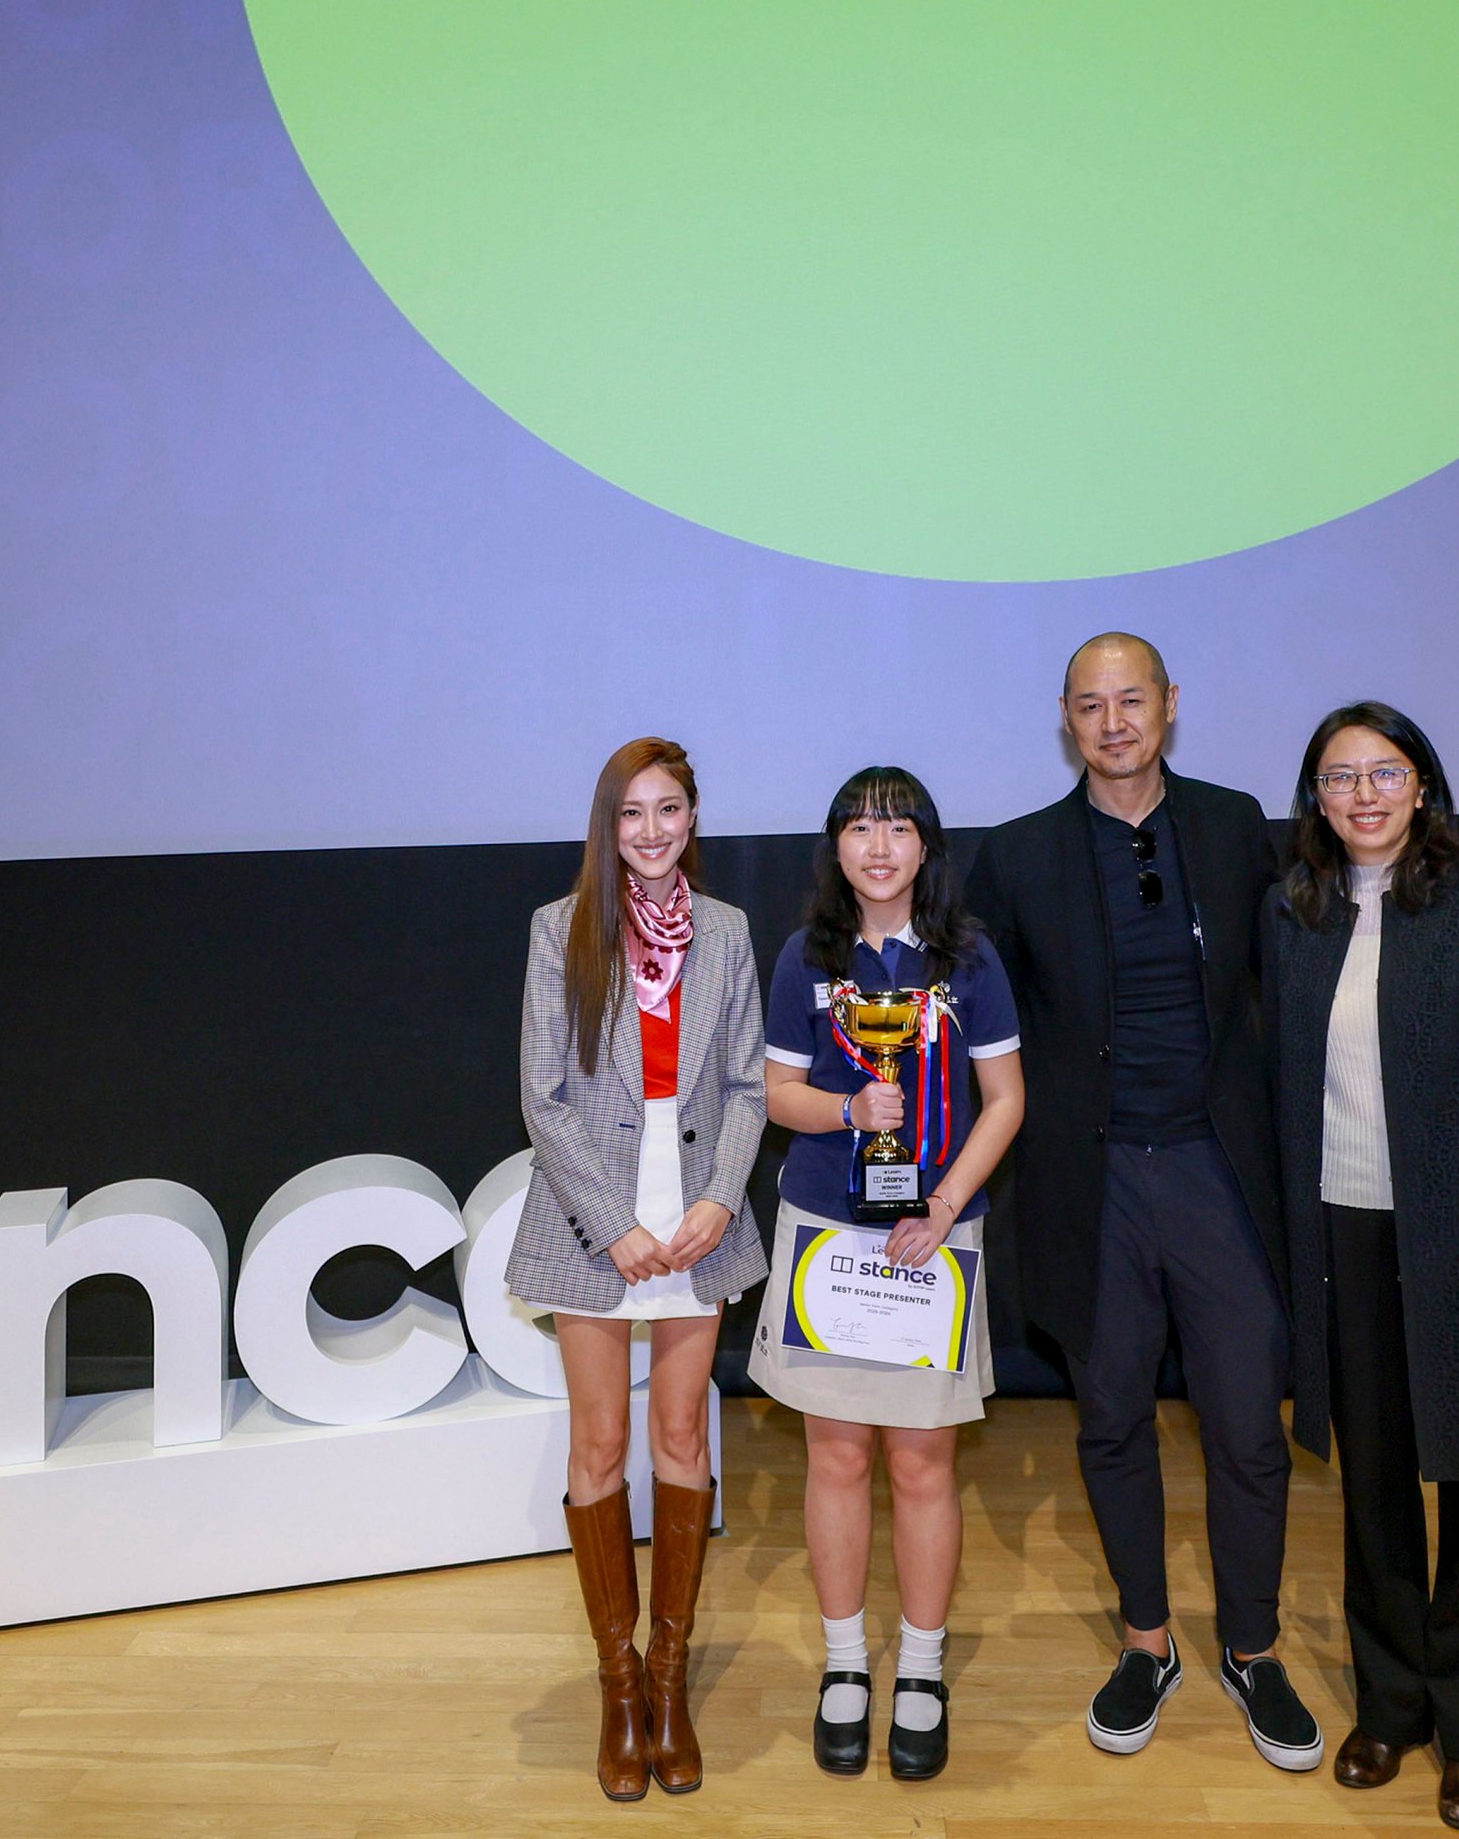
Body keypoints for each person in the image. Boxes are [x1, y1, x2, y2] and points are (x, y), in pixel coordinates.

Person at [961, 631, 1321, 1770]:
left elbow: (1291, 987)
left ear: (1171, 704)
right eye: (1089, 704)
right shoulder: (1015, 857)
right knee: (1110, 1415)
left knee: (1244, 1428)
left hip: (1218, 1168)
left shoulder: (1229, 823)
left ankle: (1252, 1649)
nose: (1113, 721)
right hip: (1093, 1176)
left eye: (1133, 699)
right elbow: (974, 1027)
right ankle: (1147, 1639)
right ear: (1063, 720)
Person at [1263, 702, 1459, 1833]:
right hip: (1344, 1233)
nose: (1362, 794)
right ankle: (1391, 1704)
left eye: (1383, 772)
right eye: (1338, 776)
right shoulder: (1291, 909)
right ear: (1314, 796)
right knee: (1375, 1483)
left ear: (1422, 784)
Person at [504, 736, 766, 1803]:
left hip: (696, 1210)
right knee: (602, 1443)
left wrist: (713, 1203)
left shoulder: (730, 933)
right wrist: (613, 1221)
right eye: (631, 812)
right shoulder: (557, 929)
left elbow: (747, 1084)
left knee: (680, 1434)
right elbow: (541, 1093)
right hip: (592, 1217)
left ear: (692, 820)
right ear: (606, 826)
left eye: (669, 809)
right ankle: (617, 1687)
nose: (651, 830)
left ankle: (670, 1680)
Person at [756, 767, 1024, 1782]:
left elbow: (1004, 1097)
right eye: (859, 828)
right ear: (835, 847)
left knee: (920, 1463)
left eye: (898, 826)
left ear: (926, 846)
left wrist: (944, 1204)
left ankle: (919, 1663)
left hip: (932, 1238)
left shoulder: (968, 956)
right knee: (833, 1456)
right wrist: (846, 1112)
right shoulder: (804, 956)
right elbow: (780, 1091)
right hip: (829, 1230)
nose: (879, 845)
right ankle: (842, 1663)